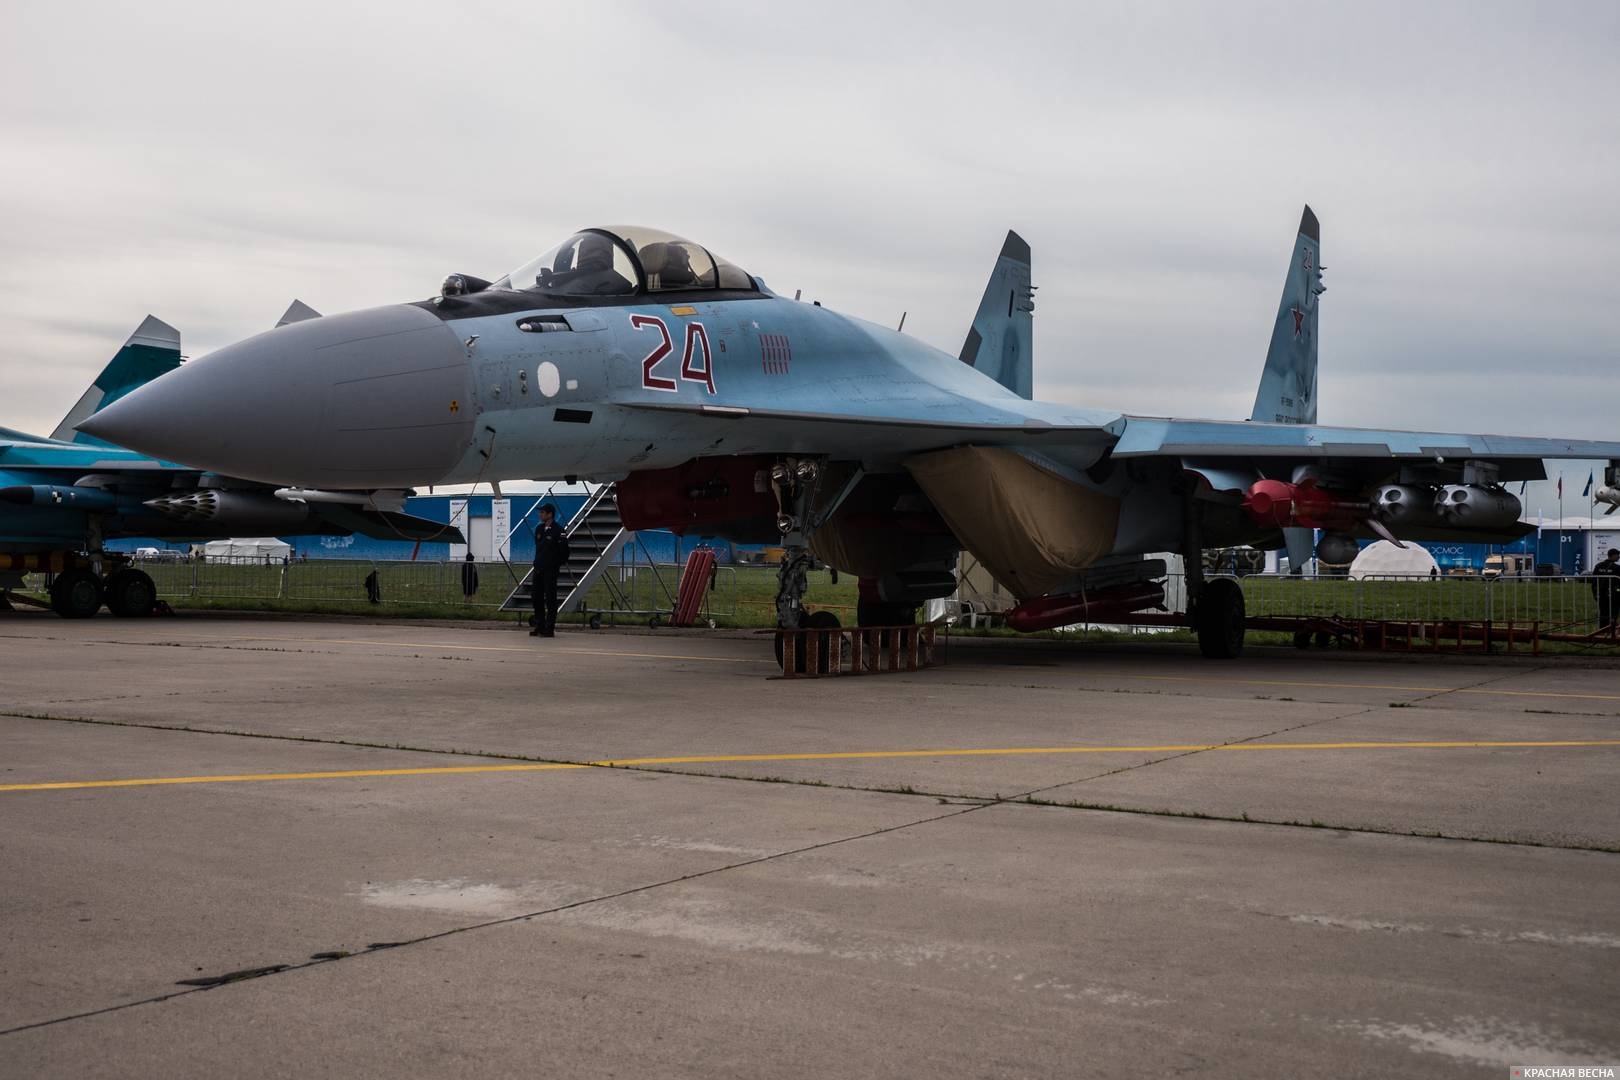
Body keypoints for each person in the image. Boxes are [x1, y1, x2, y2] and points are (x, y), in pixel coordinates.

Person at [531, 503, 571, 637]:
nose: (540, 515)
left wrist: (554, 565)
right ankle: (539, 625)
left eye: (543, 512)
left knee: (550, 599)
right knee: (536, 598)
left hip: (550, 571)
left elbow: (564, 553)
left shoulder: (559, 531)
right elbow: (539, 548)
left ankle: (549, 628)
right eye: (540, 512)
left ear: (550, 514)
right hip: (538, 569)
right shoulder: (539, 529)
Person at [1592, 547, 1620, 631]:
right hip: (1614, 595)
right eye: (1618, 555)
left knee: (1603, 612)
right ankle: (1612, 631)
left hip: (1600, 594)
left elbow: (1594, 582)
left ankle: (1602, 630)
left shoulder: (1598, 566)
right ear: (1613, 555)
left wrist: (1595, 594)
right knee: (1613, 613)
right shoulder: (1617, 568)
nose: (1619, 557)